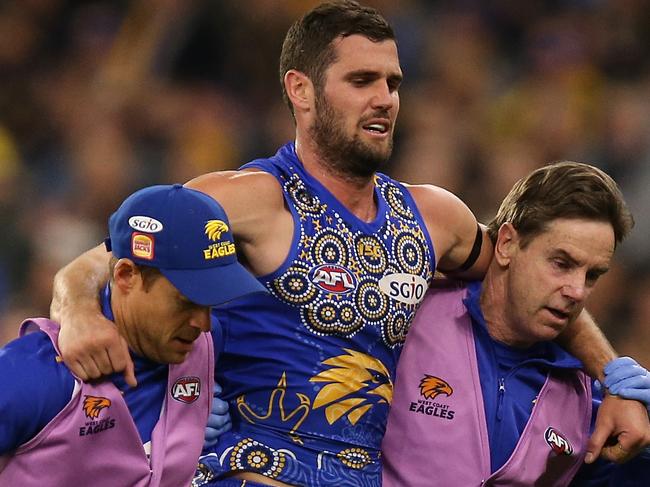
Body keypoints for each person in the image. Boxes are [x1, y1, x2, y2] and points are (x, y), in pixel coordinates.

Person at [49, 2, 649, 486]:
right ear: (301, 90)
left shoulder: (434, 216)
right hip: (252, 469)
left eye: (392, 81)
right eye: (361, 80)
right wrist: (77, 312)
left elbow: (534, 278)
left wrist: (613, 377)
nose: (385, 98)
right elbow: (110, 263)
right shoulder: (247, 200)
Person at [382, 162, 650, 486]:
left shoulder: (586, 402)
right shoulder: (406, 321)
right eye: (561, 263)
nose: (578, 291)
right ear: (507, 243)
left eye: (592, 275)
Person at [0, 184, 265, 486]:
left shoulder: (204, 345)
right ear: (126, 276)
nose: (202, 323)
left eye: (211, 302)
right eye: (187, 301)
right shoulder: (37, 372)